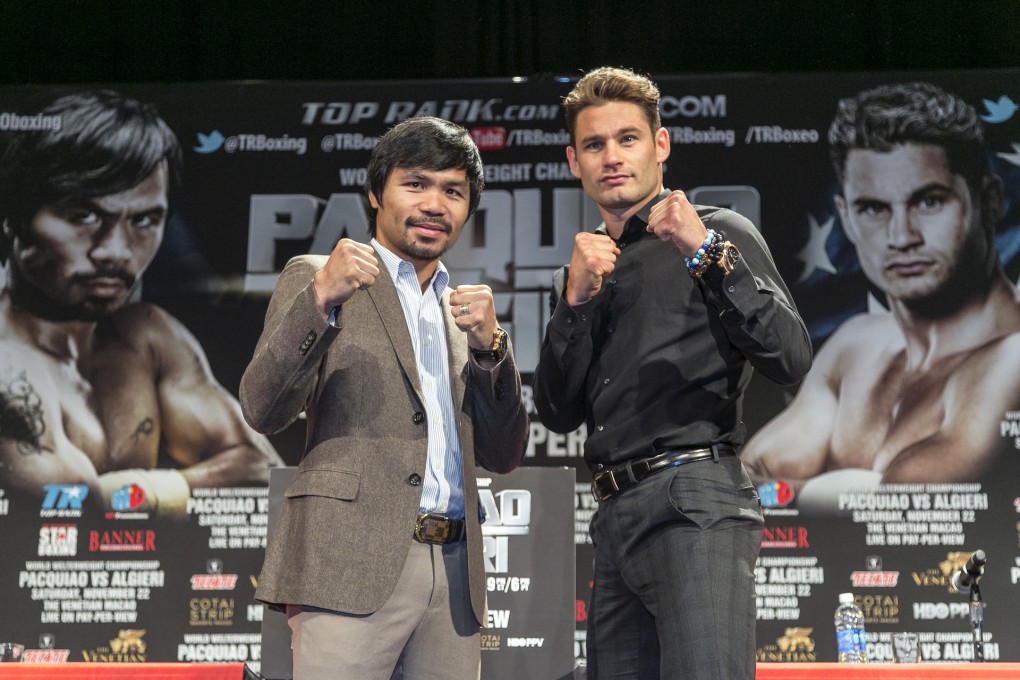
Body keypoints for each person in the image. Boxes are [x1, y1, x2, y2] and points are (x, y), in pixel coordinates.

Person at [533, 67, 811, 680]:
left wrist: (705, 252)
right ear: (573, 161)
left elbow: (788, 356)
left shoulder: (719, 234)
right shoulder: (577, 274)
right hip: (613, 513)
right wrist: (574, 304)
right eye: (594, 145)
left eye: (628, 139)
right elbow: (555, 412)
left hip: (695, 497)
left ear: (661, 145)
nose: (612, 157)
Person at [240, 115, 529, 680]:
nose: (434, 204)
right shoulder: (320, 277)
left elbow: (503, 454)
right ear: (376, 192)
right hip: (347, 561)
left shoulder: (464, 315)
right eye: (415, 184)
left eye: (453, 191)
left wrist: (493, 349)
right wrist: (320, 301)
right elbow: (262, 408)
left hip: (453, 572)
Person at [0, 90, 282, 517]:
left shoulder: (146, 336)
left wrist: (138, 490)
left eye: (143, 220)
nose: (115, 251)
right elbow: (77, 517)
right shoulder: (7, 364)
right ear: (14, 215)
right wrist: (174, 490)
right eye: (82, 215)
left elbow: (262, 467)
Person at [742, 82, 1020, 509]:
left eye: (929, 201)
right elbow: (748, 480)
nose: (900, 237)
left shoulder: (1013, 358)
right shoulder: (858, 345)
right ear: (847, 219)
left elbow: (902, 504)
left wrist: (796, 493)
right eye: (874, 208)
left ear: (990, 200)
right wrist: (847, 489)